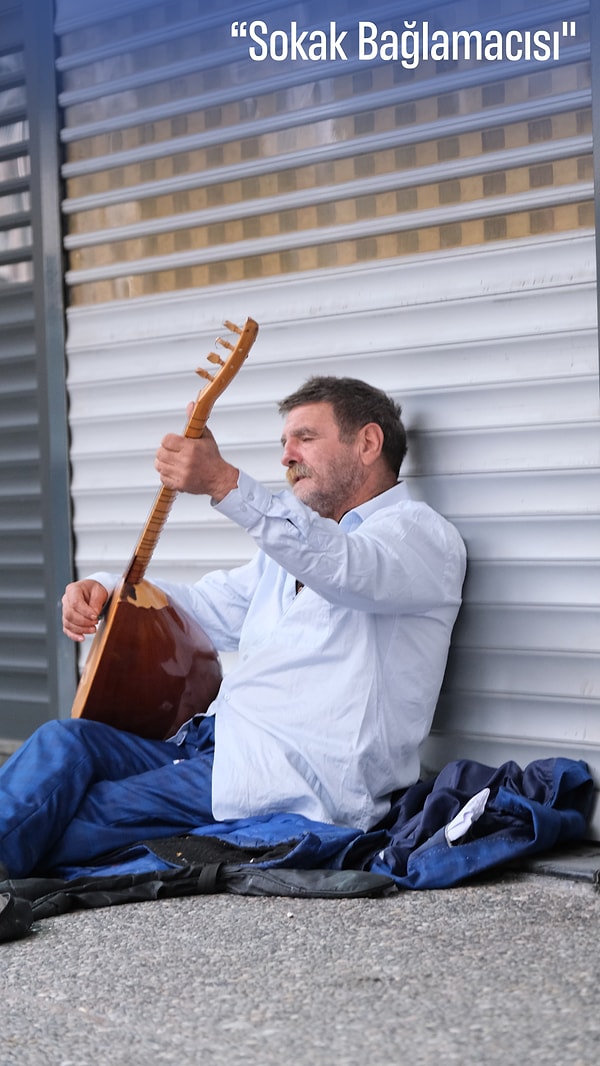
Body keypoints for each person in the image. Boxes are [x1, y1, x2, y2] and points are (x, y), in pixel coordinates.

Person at [0, 376, 466, 879]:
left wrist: (224, 482)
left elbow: (344, 568)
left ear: (368, 443)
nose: (287, 456)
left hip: (280, 778)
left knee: (76, 814)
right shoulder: (291, 552)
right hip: (211, 746)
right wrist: (105, 587)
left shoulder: (420, 538)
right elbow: (204, 606)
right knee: (64, 741)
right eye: (284, 442)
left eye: (305, 438)